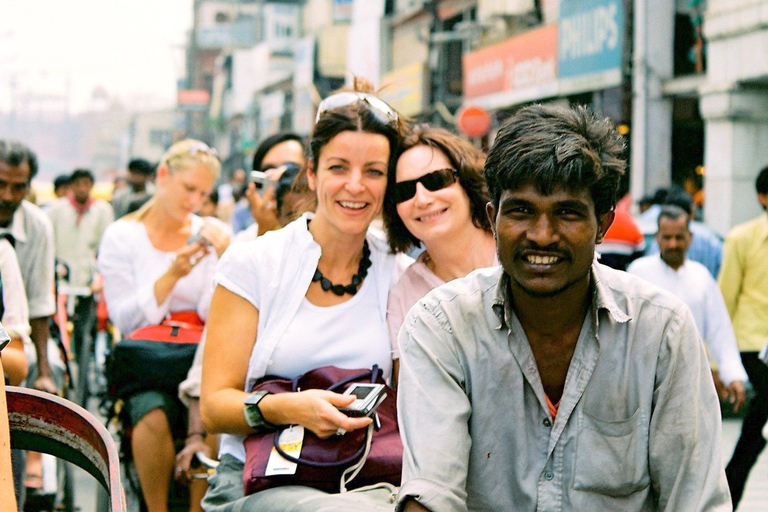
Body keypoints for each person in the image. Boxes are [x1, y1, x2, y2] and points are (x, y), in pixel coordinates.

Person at [396, 104, 730, 512]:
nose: (542, 235)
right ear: (493, 217)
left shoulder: (661, 331)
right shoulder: (441, 327)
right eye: (520, 211)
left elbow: (694, 499)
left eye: (567, 213)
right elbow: (430, 494)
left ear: (603, 225)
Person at [200, 82, 412, 511]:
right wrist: (292, 408)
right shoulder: (255, 263)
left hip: (368, 477)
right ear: (313, 174)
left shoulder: (399, 272)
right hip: (257, 480)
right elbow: (214, 406)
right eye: (338, 168)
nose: (355, 186)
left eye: (373, 171)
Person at [98, 139, 230, 512]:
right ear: (162, 176)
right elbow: (126, 318)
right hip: (147, 362)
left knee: (215, 411)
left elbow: (213, 308)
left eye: (203, 193)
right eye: (189, 188)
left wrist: (225, 257)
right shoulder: (123, 236)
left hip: (200, 357)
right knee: (151, 411)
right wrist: (173, 274)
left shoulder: (210, 232)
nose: (194, 200)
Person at [383, 125, 496, 385]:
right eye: (405, 191)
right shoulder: (405, 295)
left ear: (467, 182)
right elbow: (413, 400)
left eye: (437, 180)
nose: (422, 199)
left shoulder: (519, 252)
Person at [627, 204, 747, 410]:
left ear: (690, 237)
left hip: (692, 379)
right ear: (657, 237)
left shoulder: (701, 277)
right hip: (645, 379)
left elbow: (720, 330)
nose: (673, 244)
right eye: (667, 237)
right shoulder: (638, 273)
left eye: (679, 237)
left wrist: (732, 375)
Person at [0, 140, 57, 510]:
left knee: (43, 382)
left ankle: (35, 468)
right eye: (1, 184)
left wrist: (44, 369)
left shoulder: (33, 228)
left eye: (17, 187)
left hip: (15, 333)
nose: (8, 195)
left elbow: (37, 303)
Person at [719, 164, 768, 508]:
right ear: (762, 198)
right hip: (753, 345)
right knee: (758, 424)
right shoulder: (742, 238)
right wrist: (717, 359)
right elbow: (725, 299)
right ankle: (725, 492)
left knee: (755, 429)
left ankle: (725, 492)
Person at [46, 168, 114, 361]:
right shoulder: (57, 210)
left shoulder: (102, 211)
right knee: (58, 332)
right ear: (71, 186)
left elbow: (106, 248)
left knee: (84, 335)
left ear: (92, 186)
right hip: (61, 283)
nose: (82, 188)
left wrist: (99, 277)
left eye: (86, 184)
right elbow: (48, 242)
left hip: (87, 285)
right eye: (78, 184)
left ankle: (83, 385)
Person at [230, 132, 306, 236]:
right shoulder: (245, 242)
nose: (277, 176)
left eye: (289, 167)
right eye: (269, 170)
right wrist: (264, 229)